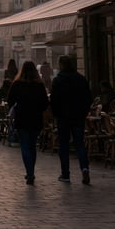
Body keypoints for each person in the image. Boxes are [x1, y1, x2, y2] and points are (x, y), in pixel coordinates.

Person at [49, 55, 93, 184]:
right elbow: (88, 98)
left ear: (61, 65)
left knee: (64, 146)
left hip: (63, 117)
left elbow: (54, 100)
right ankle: (84, 168)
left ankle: (65, 174)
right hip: (78, 116)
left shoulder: (58, 80)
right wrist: (83, 112)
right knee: (79, 144)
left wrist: (56, 114)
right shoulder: (81, 79)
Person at [7, 61, 49, 185]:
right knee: (32, 145)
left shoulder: (17, 84)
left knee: (25, 146)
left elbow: (10, 100)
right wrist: (39, 109)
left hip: (22, 117)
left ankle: (29, 173)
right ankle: (31, 171)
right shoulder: (39, 85)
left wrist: (16, 107)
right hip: (35, 118)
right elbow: (45, 103)